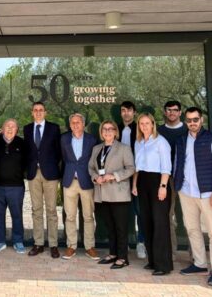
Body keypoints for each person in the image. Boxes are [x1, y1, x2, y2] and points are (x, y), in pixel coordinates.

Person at [174, 107, 212, 286]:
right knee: (192, 229)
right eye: (189, 120)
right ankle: (200, 264)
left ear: (201, 120)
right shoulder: (182, 140)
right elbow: (178, 164)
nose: (192, 123)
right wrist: (178, 185)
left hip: (207, 193)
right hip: (186, 192)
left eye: (195, 119)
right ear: (186, 121)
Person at [89, 120, 135, 269]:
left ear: (116, 132)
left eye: (110, 129)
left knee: (120, 228)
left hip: (118, 194)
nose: (107, 131)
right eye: (104, 129)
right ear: (101, 132)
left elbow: (131, 169)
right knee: (110, 226)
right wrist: (95, 177)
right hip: (102, 193)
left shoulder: (124, 148)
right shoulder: (97, 149)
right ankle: (113, 254)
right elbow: (91, 168)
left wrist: (114, 175)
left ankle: (123, 257)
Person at [133, 113, 173, 275]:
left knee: (160, 223)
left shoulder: (161, 142)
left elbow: (166, 167)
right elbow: (137, 166)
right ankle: (152, 261)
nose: (144, 126)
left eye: (147, 123)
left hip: (158, 181)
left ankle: (163, 265)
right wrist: (134, 184)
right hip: (142, 182)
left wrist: (163, 186)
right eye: (141, 123)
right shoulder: (138, 142)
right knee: (146, 222)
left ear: (153, 124)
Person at [24, 101, 62, 259]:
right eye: (35, 110)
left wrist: (51, 165)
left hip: (50, 174)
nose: (38, 112)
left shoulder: (54, 128)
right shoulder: (27, 129)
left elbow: (59, 151)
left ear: (45, 112)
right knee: (36, 210)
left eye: (41, 110)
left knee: (51, 210)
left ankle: (53, 244)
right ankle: (38, 243)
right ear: (32, 112)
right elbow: (27, 151)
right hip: (34, 174)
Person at [60, 113, 98, 260]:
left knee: (88, 216)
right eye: (73, 123)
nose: (75, 125)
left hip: (86, 180)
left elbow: (94, 160)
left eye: (78, 122)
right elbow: (64, 158)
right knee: (70, 216)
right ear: (70, 125)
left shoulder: (91, 139)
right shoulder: (64, 139)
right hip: (69, 181)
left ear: (83, 124)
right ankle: (71, 246)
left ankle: (89, 247)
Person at [0, 118, 28, 255]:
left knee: (17, 215)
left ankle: (18, 241)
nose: (10, 128)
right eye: (7, 126)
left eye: (13, 126)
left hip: (16, 187)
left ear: (17, 129)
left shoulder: (22, 143)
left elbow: (27, 163)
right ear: (2, 128)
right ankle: (0, 241)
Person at [157, 100, 188, 256]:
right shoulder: (158, 131)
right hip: (166, 178)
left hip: (186, 177)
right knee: (168, 216)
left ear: (180, 112)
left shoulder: (188, 129)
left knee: (189, 217)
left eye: (175, 110)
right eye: (169, 110)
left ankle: (195, 256)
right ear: (165, 112)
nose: (172, 112)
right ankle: (171, 253)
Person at [117, 100, 145, 260]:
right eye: (123, 110)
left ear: (134, 112)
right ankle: (124, 243)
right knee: (122, 212)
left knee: (139, 211)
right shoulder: (116, 130)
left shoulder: (140, 129)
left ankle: (141, 242)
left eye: (129, 110)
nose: (126, 113)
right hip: (119, 176)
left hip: (138, 176)